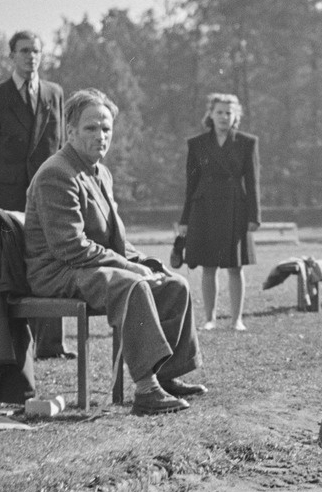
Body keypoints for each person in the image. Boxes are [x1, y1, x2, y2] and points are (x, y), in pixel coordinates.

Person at [24, 89, 207, 416]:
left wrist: (145, 263)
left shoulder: (99, 172)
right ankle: (146, 389)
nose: (101, 136)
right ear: (71, 132)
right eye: (91, 128)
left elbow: (113, 238)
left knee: (173, 283)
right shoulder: (57, 173)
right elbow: (70, 246)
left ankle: (168, 374)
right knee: (131, 285)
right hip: (56, 274)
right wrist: (129, 269)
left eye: (106, 128)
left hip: (84, 268)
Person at [0, 30, 70, 358]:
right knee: (8, 268)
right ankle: (12, 346)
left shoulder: (54, 93)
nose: (31, 57)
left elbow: (62, 145)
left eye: (36, 51)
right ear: (12, 55)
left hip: (46, 193)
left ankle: (52, 345)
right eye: (24, 51)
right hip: (6, 196)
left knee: (52, 259)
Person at [178, 93, 260, 331]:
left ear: (236, 116)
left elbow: (253, 182)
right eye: (219, 112)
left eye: (228, 112)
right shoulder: (197, 144)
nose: (224, 117)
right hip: (204, 208)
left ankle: (237, 319)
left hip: (235, 206)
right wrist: (184, 219)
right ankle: (210, 318)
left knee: (235, 266)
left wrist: (255, 216)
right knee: (208, 265)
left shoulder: (247, 143)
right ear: (210, 115)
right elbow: (190, 184)